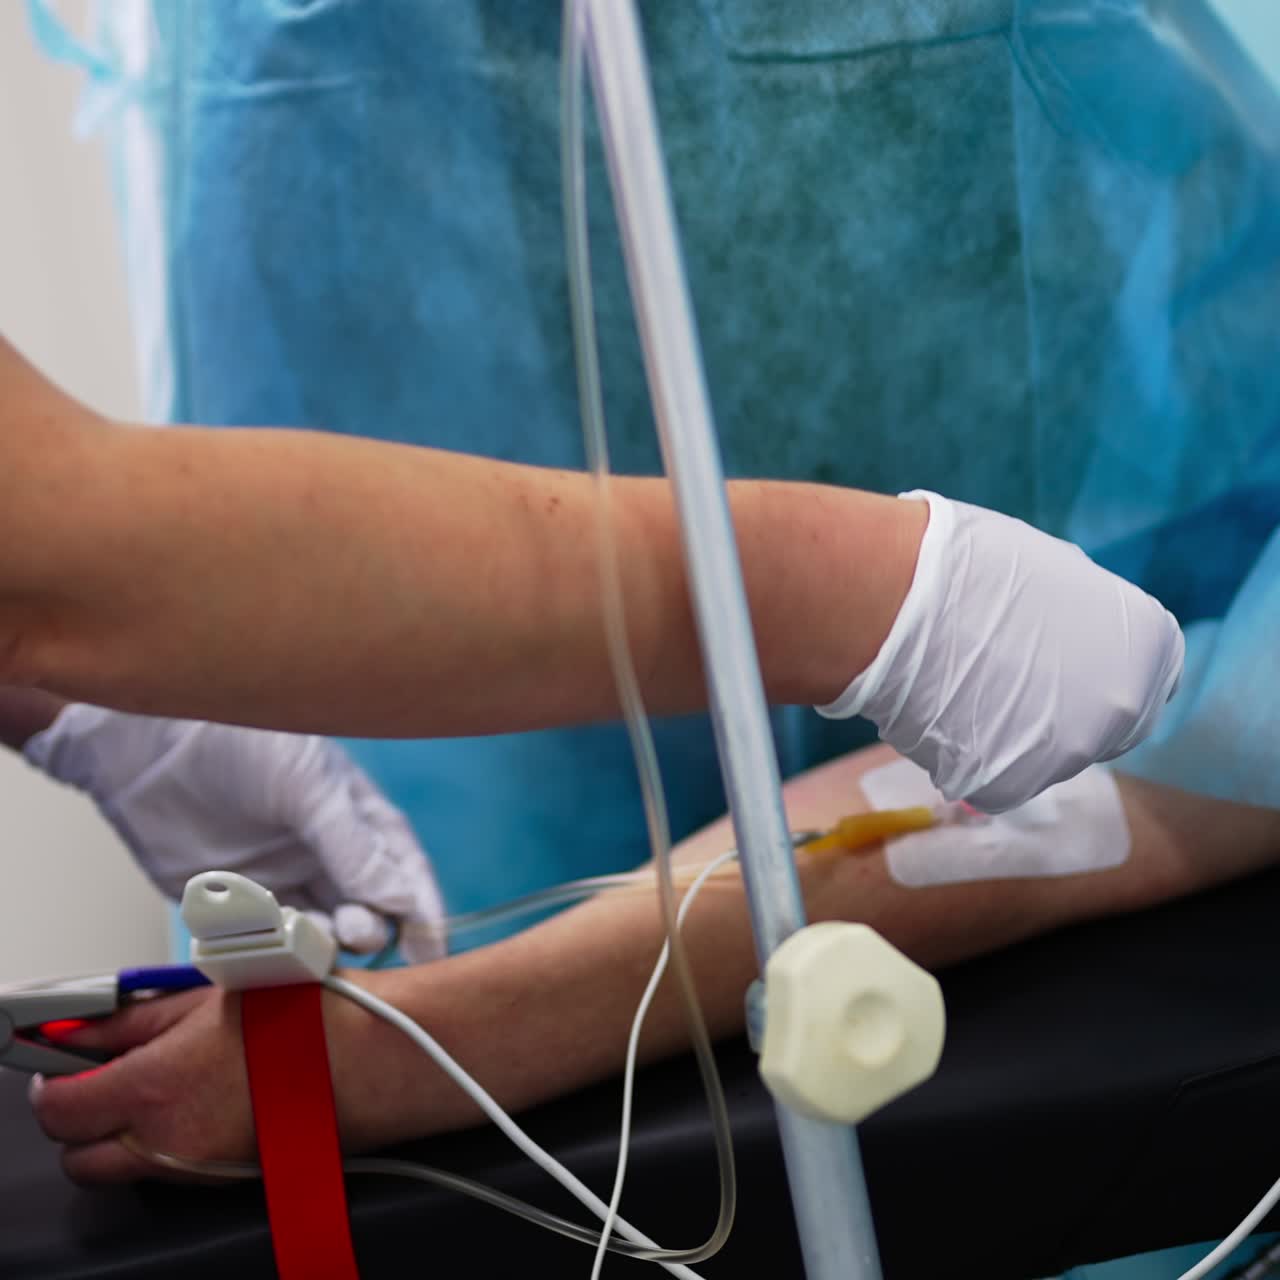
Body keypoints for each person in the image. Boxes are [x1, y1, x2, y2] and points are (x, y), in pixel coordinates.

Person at [15, 4, 1280, 1274]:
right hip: (436, 838)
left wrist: (433, 1038)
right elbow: (44, 540)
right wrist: (837, 589)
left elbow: (1205, 750)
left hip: (1131, 701)